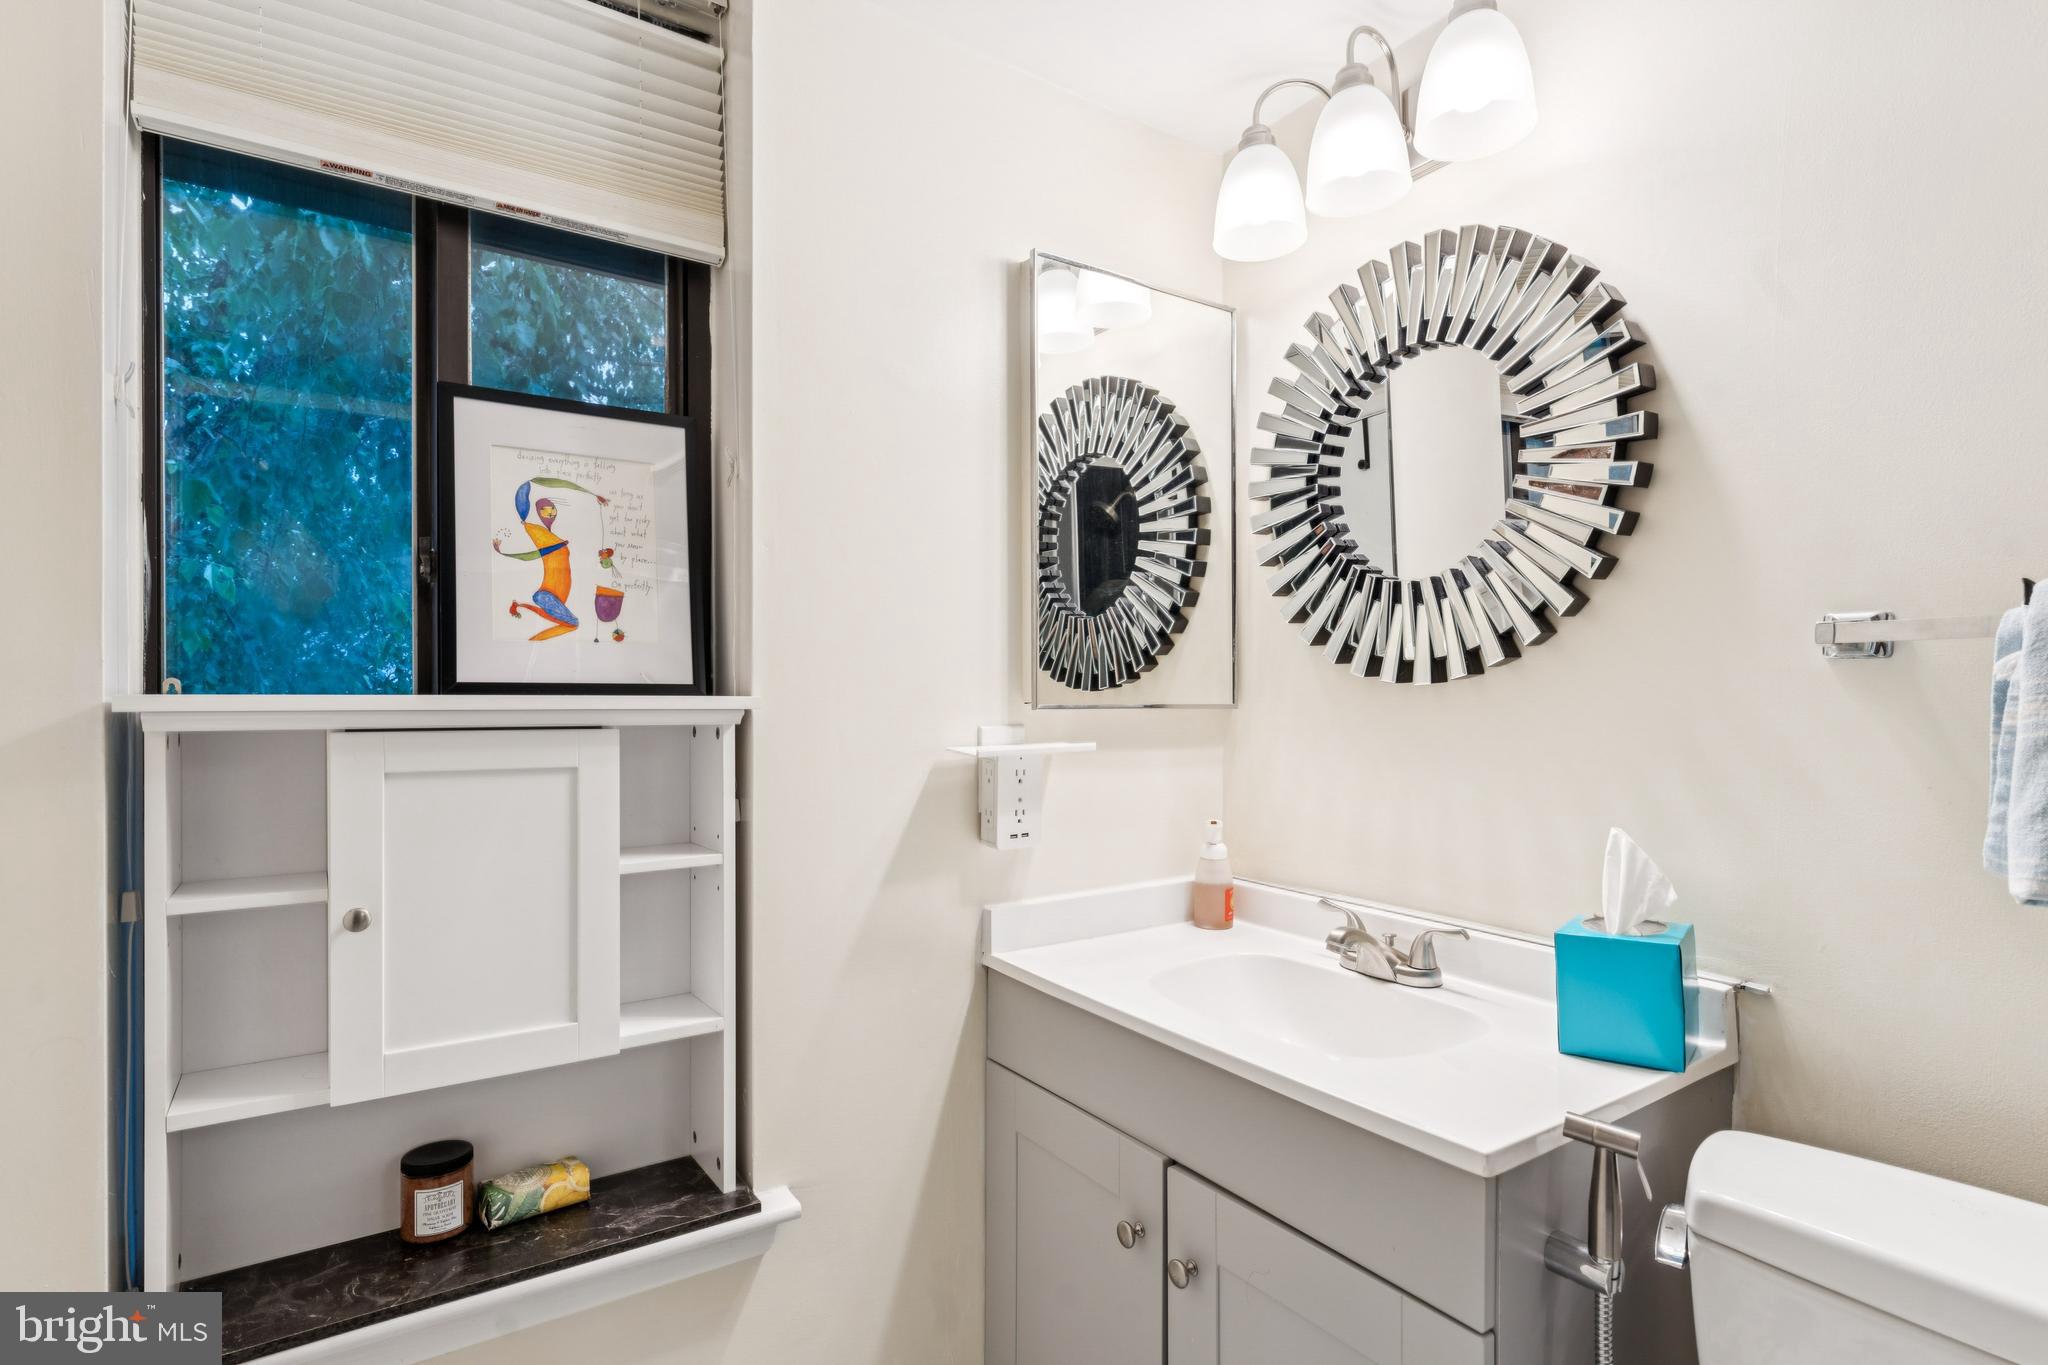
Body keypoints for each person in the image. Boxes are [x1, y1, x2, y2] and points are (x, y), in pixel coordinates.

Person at [494, 476, 608, 642]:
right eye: (545, 509)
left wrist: (591, 494)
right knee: (573, 623)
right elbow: (536, 553)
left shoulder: (550, 536)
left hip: (554, 595)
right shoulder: (537, 531)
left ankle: (535, 639)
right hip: (546, 595)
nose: (550, 511)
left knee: (572, 624)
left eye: (552, 508)